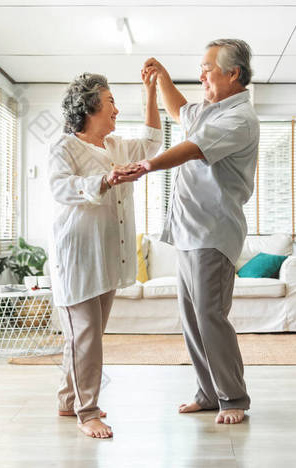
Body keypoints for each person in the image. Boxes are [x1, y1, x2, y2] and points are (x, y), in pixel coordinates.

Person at [127, 39, 258, 425]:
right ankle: (207, 392)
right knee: (192, 316)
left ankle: (233, 396)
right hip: (189, 231)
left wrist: (147, 165)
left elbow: (193, 148)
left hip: (213, 232)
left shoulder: (238, 119)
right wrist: (162, 77)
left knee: (209, 315)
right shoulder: (210, 110)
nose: (202, 74)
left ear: (233, 74)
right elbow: (180, 111)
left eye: (208, 68)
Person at [48, 71, 161, 439]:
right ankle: (88, 411)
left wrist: (150, 91)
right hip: (78, 257)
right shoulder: (64, 147)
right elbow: (61, 188)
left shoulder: (113, 146)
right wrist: (106, 180)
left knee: (85, 337)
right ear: (90, 108)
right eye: (111, 102)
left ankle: (69, 400)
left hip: (108, 256)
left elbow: (151, 143)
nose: (116, 109)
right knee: (85, 337)